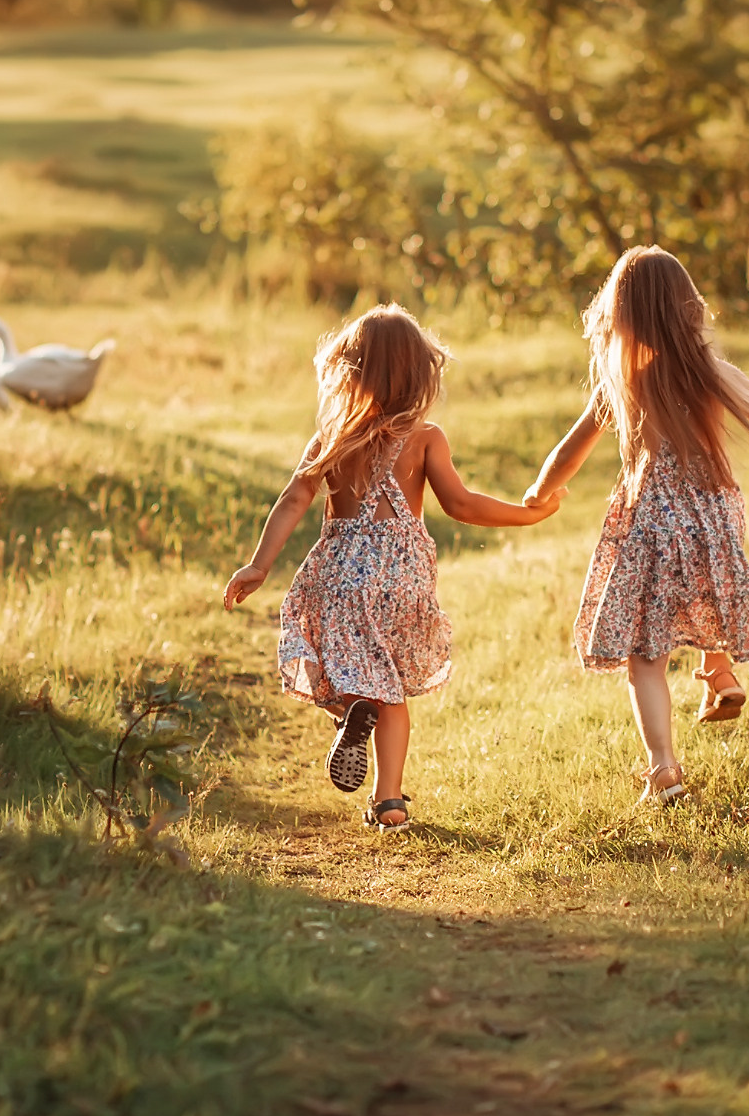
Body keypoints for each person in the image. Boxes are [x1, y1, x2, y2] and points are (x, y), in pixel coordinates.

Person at [523, 247, 749, 806]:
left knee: (645, 657)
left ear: (620, 315)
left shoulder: (623, 381)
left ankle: (663, 769)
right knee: (706, 595)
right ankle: (718, 674)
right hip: (714, 515)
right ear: (688, 307)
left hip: (652, 520)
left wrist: (540, 492)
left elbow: (570, 451)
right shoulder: (712, 373)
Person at [225, 305, 560, 831]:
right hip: (402, 577)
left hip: (340, 574)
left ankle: (353, 714)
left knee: (348, 672)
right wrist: (528, 514)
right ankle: (390, 802)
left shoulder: (332, 438)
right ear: (418, 374)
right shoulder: (426, 438)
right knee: (392, 690)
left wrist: (259, 564)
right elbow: (463, 505)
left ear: (349, 370)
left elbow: (294, 499)